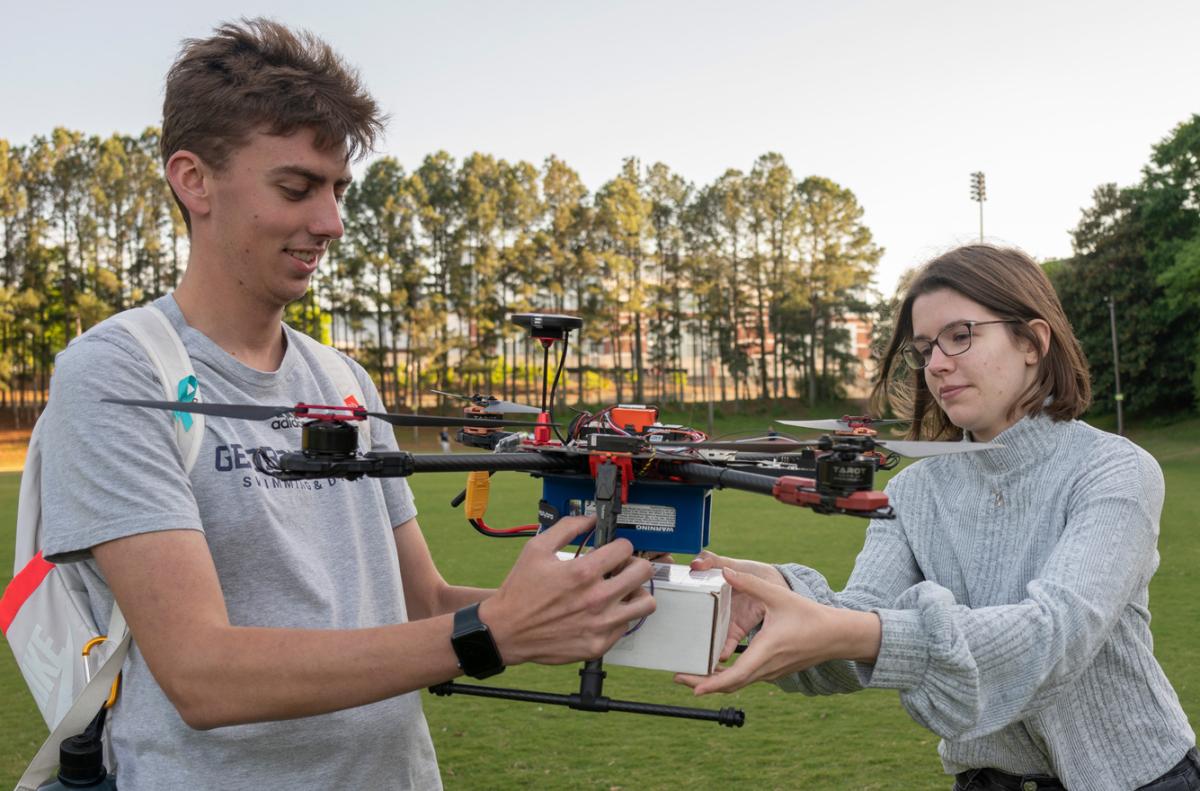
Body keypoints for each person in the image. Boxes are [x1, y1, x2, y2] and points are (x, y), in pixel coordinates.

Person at [36, 19, 654, 790]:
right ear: (193, 180)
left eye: (337, 190)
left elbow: (422, 601)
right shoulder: (117, 373)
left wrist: (626, 603)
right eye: (295, 187)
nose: (329, 222)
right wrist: (494, 631)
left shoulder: (344, 381)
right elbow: (201, 673)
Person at [676, 245, 1197, 790]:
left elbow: (1054, 636)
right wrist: (772, 597)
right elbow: (859, 623)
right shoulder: (914, 489)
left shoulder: (1114, 470)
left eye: (960, 335)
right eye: (925, 349)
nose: (937, 364)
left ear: (1033, 342)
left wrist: (865, 632)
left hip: (1142, 778)